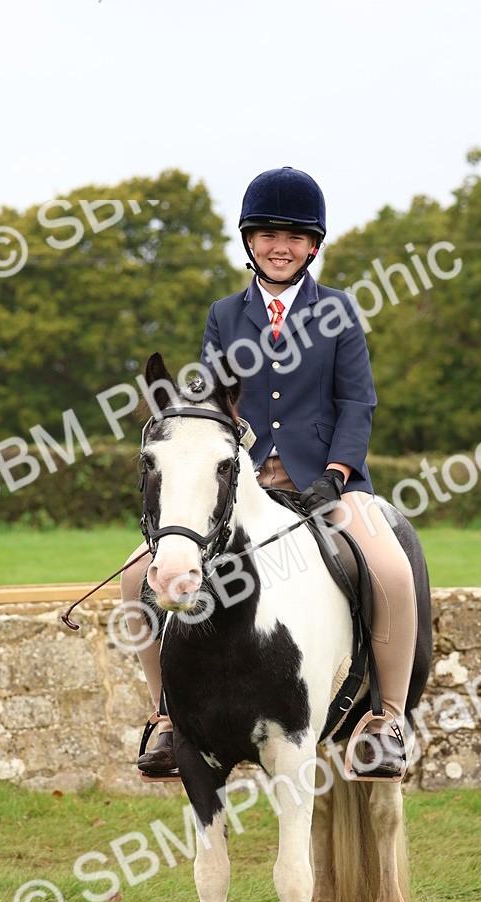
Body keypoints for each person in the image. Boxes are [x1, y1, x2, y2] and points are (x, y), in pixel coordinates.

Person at [120, 166, 418, 781]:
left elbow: (358, 402)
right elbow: (211, 410)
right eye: (266, 234)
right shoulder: (224, 315)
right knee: (133, 579)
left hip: (327, 483)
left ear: (314, 245)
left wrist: (337, 471)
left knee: (389, 569)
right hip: (246, 489)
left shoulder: (338, 311)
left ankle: (387, 722)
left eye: (293, 236)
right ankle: (168, 714)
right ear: (249, 241)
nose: (279, 246)